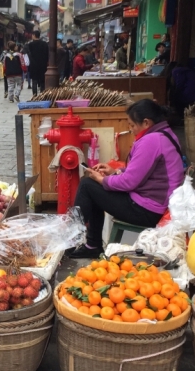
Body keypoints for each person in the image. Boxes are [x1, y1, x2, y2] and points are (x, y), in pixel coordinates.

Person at [69, 100, 185, 258]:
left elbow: (130, 182)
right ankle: (92, 245)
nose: (130, 130)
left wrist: (103, 180)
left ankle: (67, 243)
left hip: (148, 210)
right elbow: (143, 170)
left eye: (132, 125)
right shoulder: (166, 134)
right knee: (93, 189)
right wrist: (115, 171)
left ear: (146, 122)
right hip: (157, 204)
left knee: (87, 185)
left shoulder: (152, 141)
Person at [26, 30, 49, 96]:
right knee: (42, 81)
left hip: (34, 65)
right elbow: (47, 55)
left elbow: (29, 54)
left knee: (34, 81)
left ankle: (34, 95)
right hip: (43, 65)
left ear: (33, 35)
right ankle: (42, 94)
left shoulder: (30, 45)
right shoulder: (45, 44)